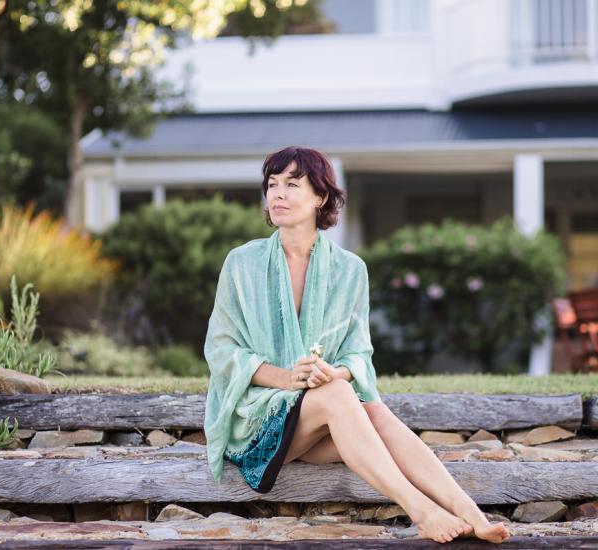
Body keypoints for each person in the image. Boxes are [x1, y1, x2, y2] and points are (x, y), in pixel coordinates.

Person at [203, 145, 510, 544]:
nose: (277, 194)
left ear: (321, 197)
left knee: (374, 411)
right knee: (338, 395)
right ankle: (422, 511)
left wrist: (336, 371)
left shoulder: (350, 270)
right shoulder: (241, 263)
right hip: (258, 427)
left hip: (317, 422)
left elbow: (358, 354)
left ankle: (469, 511)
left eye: (292, 184)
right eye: (272, 184)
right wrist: (284, 378)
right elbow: (221, 350)